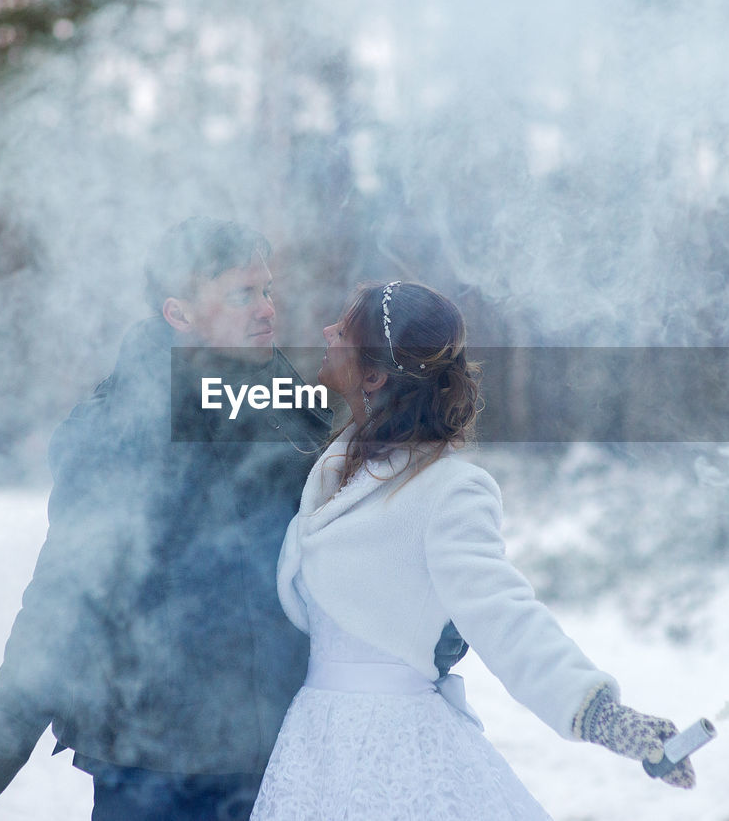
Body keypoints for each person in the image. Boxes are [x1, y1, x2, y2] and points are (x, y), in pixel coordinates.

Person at [0, 218, 340, 820]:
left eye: (267, 289)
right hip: (154, 766)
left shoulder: (286, 405)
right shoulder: (124, 433)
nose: (268, 309)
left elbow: (343, 551)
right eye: (242, 294)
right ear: (179, 313)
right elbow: (62, 608)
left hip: (277, 754)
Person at [251, 281, 697, 820]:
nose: (327, 331)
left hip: (391, 753)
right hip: (313, 745)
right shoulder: (336, 467)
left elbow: (504, 612)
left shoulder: (448, 491)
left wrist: (599, 713)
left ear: (373, 375)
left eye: (342, 330)